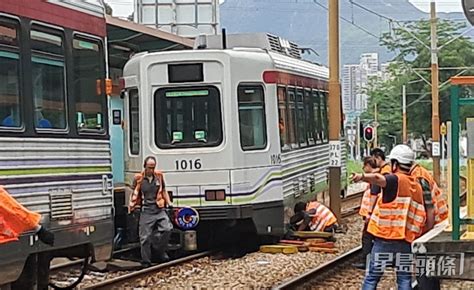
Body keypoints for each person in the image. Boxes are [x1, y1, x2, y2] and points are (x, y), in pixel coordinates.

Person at [351, 145, 427, 290]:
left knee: (372, 278)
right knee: (404, 279)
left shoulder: (395, 180)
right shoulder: (416, 186)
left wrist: (362, 177)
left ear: (395, 163)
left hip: (385, 239)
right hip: (405, 240)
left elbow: (379, 178)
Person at [129, 156, 173, 268]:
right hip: (146, 210)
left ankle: (159, 249)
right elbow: (133, 192)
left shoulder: (159, 176)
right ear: (145, 167)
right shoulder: (138, 178)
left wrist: (169, 202)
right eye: (149, 168)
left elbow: (163, 190)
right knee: (144, 238)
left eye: (153, 168)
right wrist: (133, 206)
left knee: (167, 229)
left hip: (159, 208)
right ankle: (146, 261)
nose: (151, 170)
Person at [410, 163, 447, 290]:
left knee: (425, 267)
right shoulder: (418, 174)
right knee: (428, 268)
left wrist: (427, 237)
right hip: (436, 224)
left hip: (435, 226)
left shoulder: (419, 177)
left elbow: (429, 208)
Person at [353, 156, 379, 270]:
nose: (363, 168)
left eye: (364, 165)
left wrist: (369, 213)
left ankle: (366, 261)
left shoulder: (375, 180)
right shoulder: (376, 178)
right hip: (373, 214)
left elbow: (374, 196)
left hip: (373, 215)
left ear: (368, 165)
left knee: (367, 237)